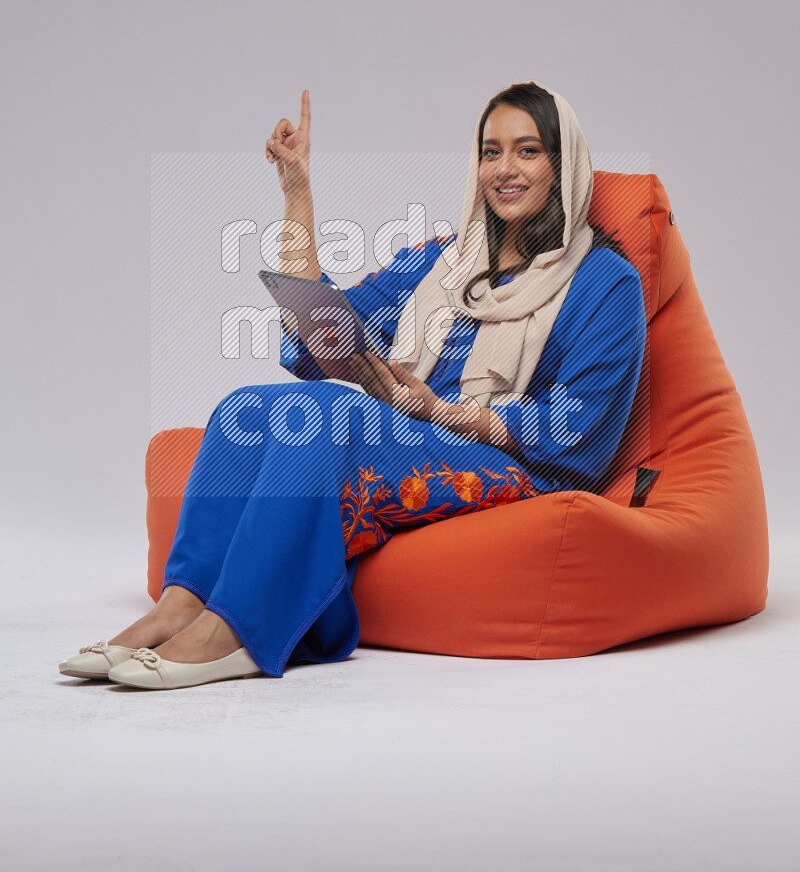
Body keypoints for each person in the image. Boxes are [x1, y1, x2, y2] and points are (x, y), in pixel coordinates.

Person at [58, 80, 646, 690]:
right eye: (490, 151)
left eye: (527, 151)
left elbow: (581, 429)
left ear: (564, 163)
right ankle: (180, 605)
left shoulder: (605, 282)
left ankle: (239, 631)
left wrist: (443, 410)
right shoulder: (443, 264)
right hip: (412, 429)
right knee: (247, 407)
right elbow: (328, 328)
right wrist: (296, 194)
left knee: (331, 413)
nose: (504, 169)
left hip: (514, 464)